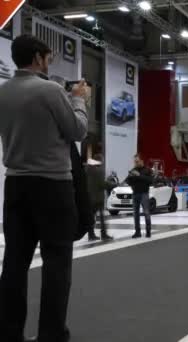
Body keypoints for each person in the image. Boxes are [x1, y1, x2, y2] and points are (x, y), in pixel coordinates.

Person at [0, 35, 89, 342]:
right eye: (49, 58)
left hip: (15, 184)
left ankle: (9, 333)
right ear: (38, 57)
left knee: (14, 262)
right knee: (56, 263)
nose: (49, 63)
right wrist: (78, 100)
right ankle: (51, 335)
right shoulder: (50, 90)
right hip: (53, 187)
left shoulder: (3, 92)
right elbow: (77, 130)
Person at [86, 153, 113, 241]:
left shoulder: (88, 169)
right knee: (102, 217)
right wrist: (113, 184)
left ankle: (91, 234)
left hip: (90, 197)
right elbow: (102, 184)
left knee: (91, 217)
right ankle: (104, 234)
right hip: (98, 198)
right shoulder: (99, 170)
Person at [126, 154, 154, 238]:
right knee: (135, 214)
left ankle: (148, 231)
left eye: (137, 161)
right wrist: (131, 177)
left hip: (144, 194)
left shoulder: (147, 170)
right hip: (135, 194)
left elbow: (150, 181)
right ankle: (137, 232)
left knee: (146, 212)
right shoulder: (133, 170)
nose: (135, 163)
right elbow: (128, 181)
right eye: (134, 161)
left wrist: (139, 176)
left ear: (142, 161)